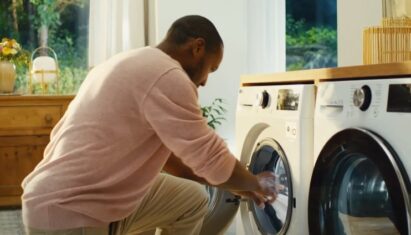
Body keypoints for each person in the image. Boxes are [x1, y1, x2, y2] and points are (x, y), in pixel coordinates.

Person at [22, 15, 277, 235]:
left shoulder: (132, 61)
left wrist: (236, 184)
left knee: (191, 199)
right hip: (70, 209)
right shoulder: (167, 76)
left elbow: (177, 161)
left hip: (86, 196)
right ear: (197, 47)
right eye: (211, 68)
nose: (206, 81)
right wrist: (256, 184)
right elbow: (209, 155)